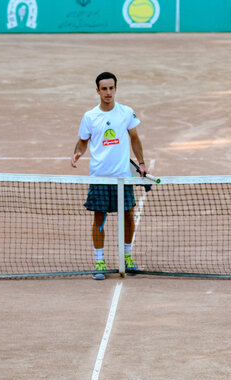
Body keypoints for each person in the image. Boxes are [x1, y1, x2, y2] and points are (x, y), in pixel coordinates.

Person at [71, 72, 148, 280]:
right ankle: (99, 261)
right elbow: (83, 141)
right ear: (97, 91)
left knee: (129, 217)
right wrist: (78, 152)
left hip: (122, 176)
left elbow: (135, 139)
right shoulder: (90, 116)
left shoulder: (126, 113)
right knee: (99, 218)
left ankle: (127, 257)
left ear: (115, 89)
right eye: (103, 89)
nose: (108, 92)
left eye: (111, 88)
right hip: (99, 177)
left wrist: (141, 163)